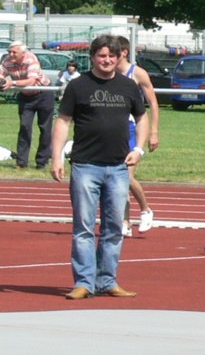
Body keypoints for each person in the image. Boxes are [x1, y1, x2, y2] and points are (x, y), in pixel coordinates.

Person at [50, 35, 147, 300]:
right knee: (83, 228)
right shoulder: (78, 86)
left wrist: (138, 149)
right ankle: (84, 282)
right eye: (102, 55)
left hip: (118, 167)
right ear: (93, 57)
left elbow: (142, 117)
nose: (107, 60)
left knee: (114, 228)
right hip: (85, 166)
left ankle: (107, 281)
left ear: (119, 57)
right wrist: (56, 157)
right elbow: (63, 121)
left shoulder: (128, 86)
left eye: (112, 56)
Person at [113, 38, 160, 235]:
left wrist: (153, 131)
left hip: (132, 129)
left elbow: (153, 103)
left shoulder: (138, 73)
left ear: (124, 52)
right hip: (113, 131)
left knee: (126, 175)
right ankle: (125, 222)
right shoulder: (107, 73)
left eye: (113, 53)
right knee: (117, 179)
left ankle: (145, 209)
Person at [0, 41, 55, 170]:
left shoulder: (31, 59)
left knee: (45, 128)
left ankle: (42, 162)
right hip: (26, 97)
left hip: (43, 93)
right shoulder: (7, 61)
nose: (11, 54)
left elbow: (31, 81)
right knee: (25, 127)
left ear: (23, 52)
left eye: (14, 52)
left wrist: (12, 83)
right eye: (9, 52)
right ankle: (21, 162)